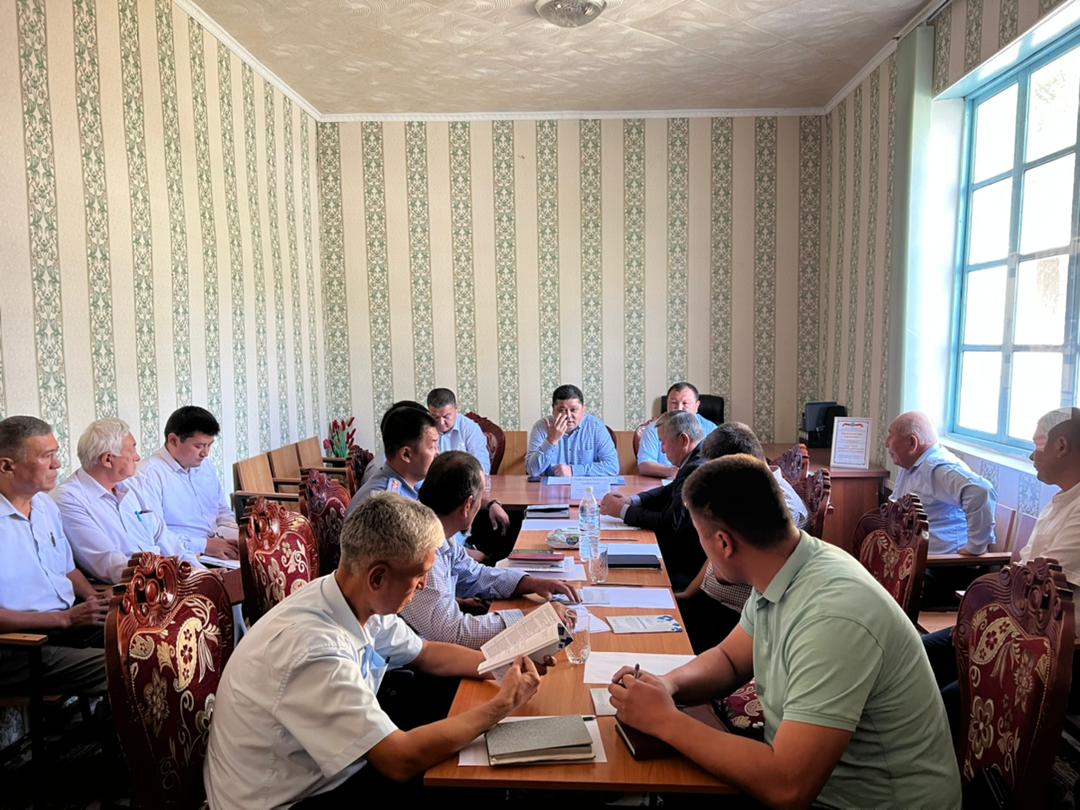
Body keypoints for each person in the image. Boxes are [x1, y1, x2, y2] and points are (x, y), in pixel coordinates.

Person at [608, 455, 961, 808]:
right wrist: (667, 685)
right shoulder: (785, 565)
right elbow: (729, 659)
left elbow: (788, 788)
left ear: (723, 544)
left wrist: (667, 721)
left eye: (701, 537)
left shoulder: (833, 617)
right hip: (806, 778)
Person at [203, 493, 545, 808]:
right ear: (378, 578)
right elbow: (399, 760)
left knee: (446, 708)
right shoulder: (314, 649)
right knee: (467, 777)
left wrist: (504, 664)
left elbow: (426, 653)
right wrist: (502, 705)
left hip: (319, 770)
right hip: (290, 798)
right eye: (421, 575)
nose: (425, 585)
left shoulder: (350, 594)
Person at [923, 407, 1080, 732]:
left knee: (953, 700)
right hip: (1020, 627)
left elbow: (1042, 589)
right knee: (918, 655)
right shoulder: (1061, 502)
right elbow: (1023, 570)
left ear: (1061, 446)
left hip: (1052, 647)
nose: (1032, 455)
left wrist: (985, 617)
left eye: (1037, 445)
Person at [401, 451, 578, 647]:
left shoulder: (439, 533)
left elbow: (474, 575)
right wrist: (533, 618)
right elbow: (455, 633)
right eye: (480, 498)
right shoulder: (424, 552)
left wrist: (531, 583)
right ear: (468, 505)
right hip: (421, 659)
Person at [0, 416, 108, 696]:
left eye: (55, 454)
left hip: (67, 625)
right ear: (7, 466)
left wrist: (93, 598)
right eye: (46, 456)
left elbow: (68, 569)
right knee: (128, 668)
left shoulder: (45, 506)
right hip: (19, 646)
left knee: (152, 641)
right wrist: (64, 619)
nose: (57, 464)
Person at [676, 422, 808, 651]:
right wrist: (689, 593)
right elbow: (715, 558)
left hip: (737, 619)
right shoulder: (749, 491)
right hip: (713, 603)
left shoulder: (782, 509)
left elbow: (728, 570)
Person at [55, 418, 197, 583]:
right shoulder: (68, 499)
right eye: (133, 449)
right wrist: (171, 578)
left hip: (165, 578)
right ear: (108, 459)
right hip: (134, 587)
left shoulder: (132, 484)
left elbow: (165, 537)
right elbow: (108, 563)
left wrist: (198, 573)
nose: (137, 457)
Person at [599, 411, 707, 590]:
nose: (662, 450)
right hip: (681, 551)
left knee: (611, 573)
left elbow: (669, 523)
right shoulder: (696, 458)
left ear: (683, 440)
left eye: (663, 442)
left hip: (683, 564)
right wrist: (632, 501)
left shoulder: (697, 469)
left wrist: (622, 511)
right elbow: (669, 490)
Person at [887, 411, 996, 556]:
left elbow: (981, 491)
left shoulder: (938, 468)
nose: (886, 443)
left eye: (890, 436)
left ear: (912, 443)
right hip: (910, 556)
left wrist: (975, 549)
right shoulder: (909, 464)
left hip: (941, 562)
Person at [136, 406, 239, 560]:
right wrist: (204, 545)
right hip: (185, 557)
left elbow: (222, 511)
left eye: (209, 445)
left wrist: (237, 537)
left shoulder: (205, 466)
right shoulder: (148, 475)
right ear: (173, 440)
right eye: (199, 446)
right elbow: (156, 536)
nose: (205, 453)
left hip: (219, 546)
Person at [525, 384, 618, 478]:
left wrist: (574, 470)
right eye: (562, 410)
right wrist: (550, 441)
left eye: (573, 410)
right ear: (553, 411)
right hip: (549, 486)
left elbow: (612, 467)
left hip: (586, 486)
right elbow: (532, 471)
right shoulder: (541, 427)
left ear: (583, 410)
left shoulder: (596, 427)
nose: (568, 416)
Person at [636, 382, 718, 478]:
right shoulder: (654, 428)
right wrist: (672, 472)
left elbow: (718, 462)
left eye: (685, 403)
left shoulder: (711, 429)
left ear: (697, 406)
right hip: (665, 480)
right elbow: (644, 464)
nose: (679, 408)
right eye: (674, 403)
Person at [427, 388, 490, 472]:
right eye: (436, 417)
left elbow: (482, 468)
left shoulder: (470, 429)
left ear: (456, 409)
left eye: (446, 416)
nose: (441, 423)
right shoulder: (424, 428)